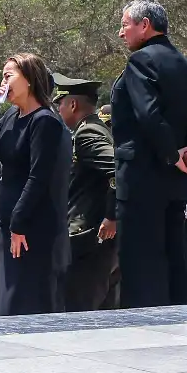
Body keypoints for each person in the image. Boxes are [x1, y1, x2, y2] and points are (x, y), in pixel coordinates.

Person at [110, 0, 187, 308]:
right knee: (172, 256)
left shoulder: (140, 62)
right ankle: (178, 319)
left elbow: (148, 115)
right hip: (174, 181)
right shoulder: (184, 63)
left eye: (125, 25)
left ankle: (143, 326)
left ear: (144, 25)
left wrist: (173, 154)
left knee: (140, 263)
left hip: (141, 178)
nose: (122, 33)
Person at [0, 54, 70, 316]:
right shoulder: (12, 117)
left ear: (28, 79)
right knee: (9, 296)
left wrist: (19, 222)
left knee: (27, 295)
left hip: (31, 222)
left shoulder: (44, 121)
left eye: (9, 76)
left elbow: (39, 176)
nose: (3, 82)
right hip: (11, 219)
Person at [54, 74, 118, 312]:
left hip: (88, 234)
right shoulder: (94, 128)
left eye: (60, 103)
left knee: (79, 305)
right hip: (91, 233)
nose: (59, 109)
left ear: (72, 104)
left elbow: (116, 172)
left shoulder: (87, 133)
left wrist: (112, 216)